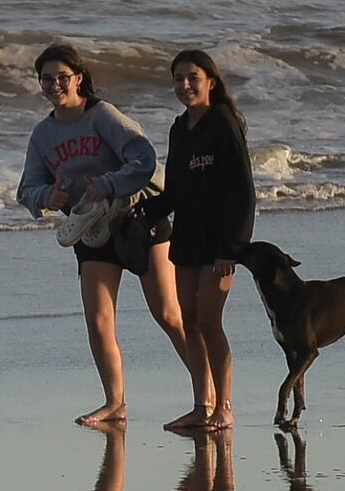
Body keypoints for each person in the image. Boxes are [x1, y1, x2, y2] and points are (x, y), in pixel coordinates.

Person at [16, 42, 194, 426]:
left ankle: (209, 397)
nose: (54, 85)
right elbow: (26, 189)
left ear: (79, 78)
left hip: (138, 221)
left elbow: (144, 158)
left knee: (168, 314)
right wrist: (48, 196)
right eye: (46, 79)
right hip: (91, 230)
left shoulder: (103, 116)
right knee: (99, 322)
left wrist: (109, 183)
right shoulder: (42, 135)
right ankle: (115, 404)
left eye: (62, 77)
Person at [159, 49, 256, 432]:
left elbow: (244, 192)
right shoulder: (179, 128)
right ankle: (203, 406)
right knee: (189, 322)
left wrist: (232, 247)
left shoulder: (223, 122)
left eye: (192, 78)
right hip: (186, 237)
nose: (184, 85)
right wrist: (138, 211)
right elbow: (173, 191)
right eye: (178, 78)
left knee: (209, 321)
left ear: (210, 82)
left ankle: (224, 408)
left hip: (220, 243)